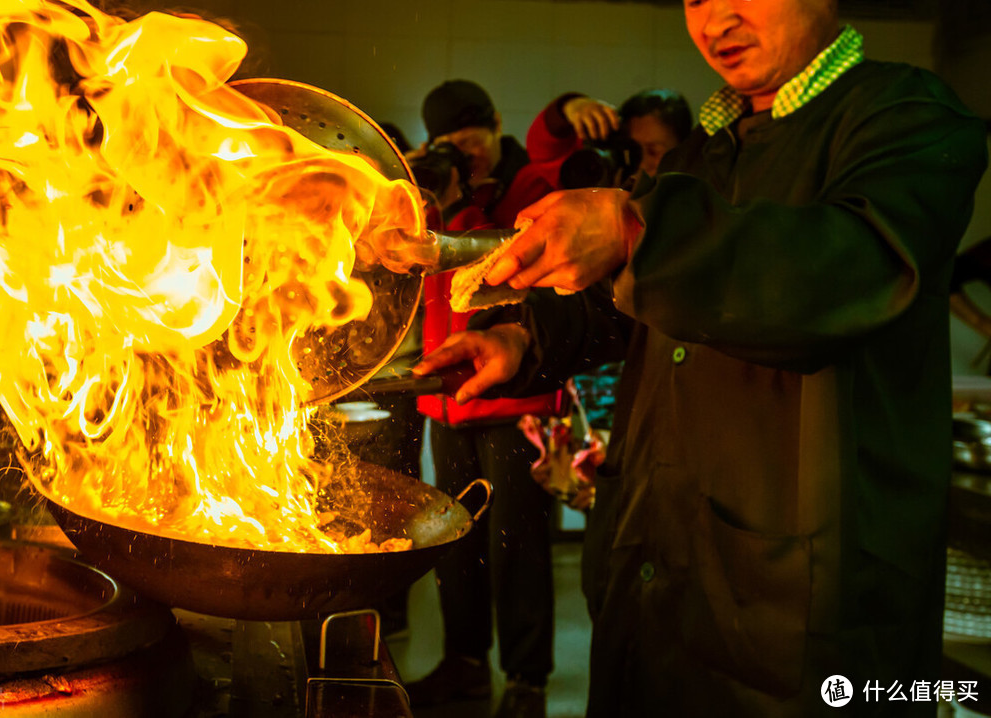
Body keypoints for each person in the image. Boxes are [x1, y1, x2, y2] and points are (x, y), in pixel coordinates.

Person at [412, 0, 989, 715]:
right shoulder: (704, 150)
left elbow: (852, 268)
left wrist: (634, 233)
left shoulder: (906, 116)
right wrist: (526, 341)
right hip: (656, 554)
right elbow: (637, 305)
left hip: (802, 591)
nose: (716, 17)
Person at [404, 80, 564, 718]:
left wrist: (474, 195)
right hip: (447, 400)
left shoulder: (526, 188)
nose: (465, 147)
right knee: (458, 545)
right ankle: (465, 664)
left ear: (497, 122)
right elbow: (419, 259)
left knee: (517, 546)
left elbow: (513, 248)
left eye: (474, 131)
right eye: (451, 138)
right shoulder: (442, 194)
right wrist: (433, 194)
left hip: (512, 400)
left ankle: (527, 681)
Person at [526, 87, 692, 191]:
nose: (640, 161)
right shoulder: (600, 174)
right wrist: (571, 107)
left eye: (654, 151)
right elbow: (544, 151)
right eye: (631, 148)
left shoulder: (684, 203)